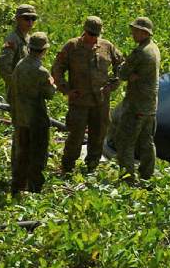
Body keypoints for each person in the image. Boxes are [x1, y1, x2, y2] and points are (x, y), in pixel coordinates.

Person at [52, 16, 124, 173]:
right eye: (90, 34)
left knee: (98, 136)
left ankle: (91, 166)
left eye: (96, 35)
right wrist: (66, 89)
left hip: (100, 102)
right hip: (79, 102)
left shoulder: (107, 46)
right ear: (84, 31)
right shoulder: (72, 46)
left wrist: (113, 85)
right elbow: (57, 69)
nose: (93, 38)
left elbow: (121, 65)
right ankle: (67, 167)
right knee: (75, 136)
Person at [0, 4, 38, 184]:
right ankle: (17, 173)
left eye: (33, 19)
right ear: (17, 19)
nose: (29, 22)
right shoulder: (13, 39)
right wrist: (17, 87)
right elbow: (3, 67)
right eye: (26, 18)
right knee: (21, 132)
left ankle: (22, 169)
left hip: (27, 95)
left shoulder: (27, 39)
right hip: (18, 94)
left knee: (26, 131)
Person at [116, 17, 161, 180]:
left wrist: (126, 70)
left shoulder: (140, 52)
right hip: (150, 106)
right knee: (147, 142)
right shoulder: (154, 48)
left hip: (136, 105)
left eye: (135, 31)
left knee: (125, 142)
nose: (132, 33)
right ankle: (147, 175)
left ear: (143, 33)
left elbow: (122, 74)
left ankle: (127, 179)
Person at [11, 32, 56, 194]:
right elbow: (50, 94)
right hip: (36, 119)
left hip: (21, 117)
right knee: (38, 156)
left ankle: (17, 188)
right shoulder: (41, 71)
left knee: (21, 154)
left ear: (29, 47)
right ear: (44, 50)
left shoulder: (20, 65)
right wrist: (53, 84)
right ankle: (35, 190)